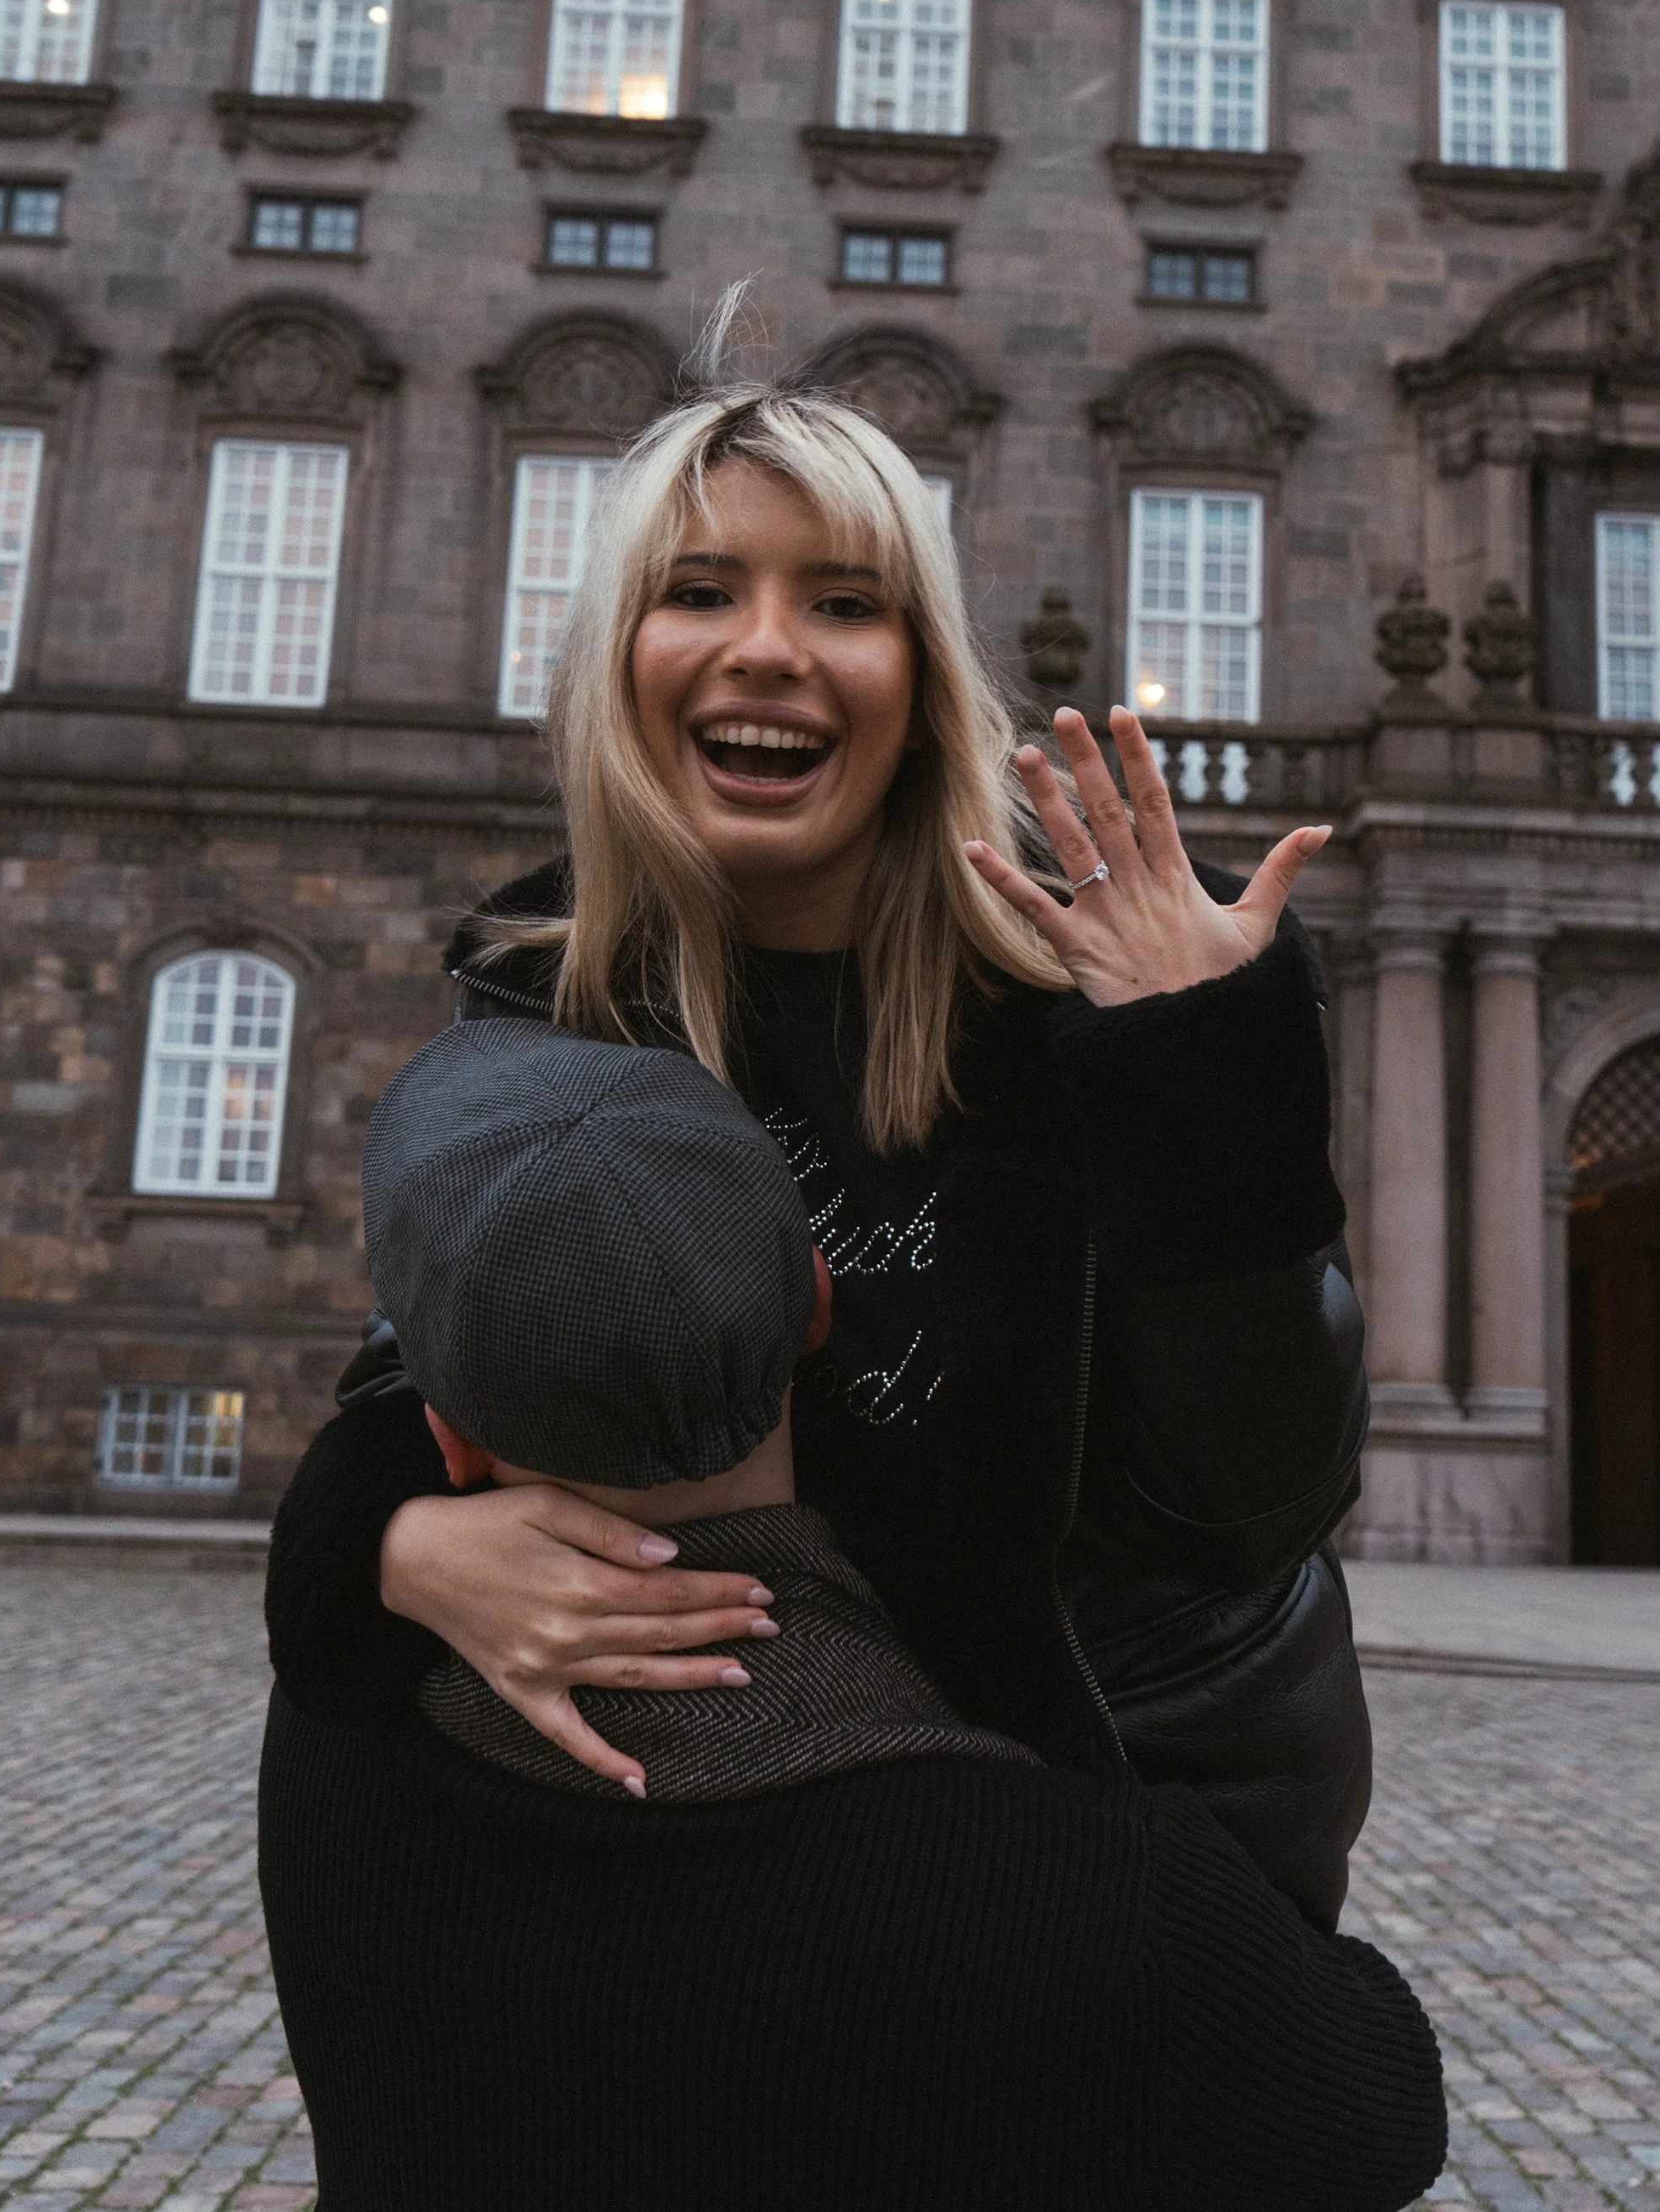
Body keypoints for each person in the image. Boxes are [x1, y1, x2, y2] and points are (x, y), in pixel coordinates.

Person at [265, 315, 1373, 1929]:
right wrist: (394, 1544)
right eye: (700, 592)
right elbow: (423, 1373)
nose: (769, 649)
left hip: (1129, 1794)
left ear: (920, 682)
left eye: (845, 603)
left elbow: (1257, 1505)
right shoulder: (553, 987)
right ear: (616, 660)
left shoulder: (1124, 969)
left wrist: (1196, 1072)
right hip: (764, 1790)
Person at [258, 1015, 1448, 2212]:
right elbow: (1383, 2109)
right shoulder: (1076, 1896)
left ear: (447, 1433)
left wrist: (375, 1527)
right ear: (819, 1306)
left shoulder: (331, 1731)